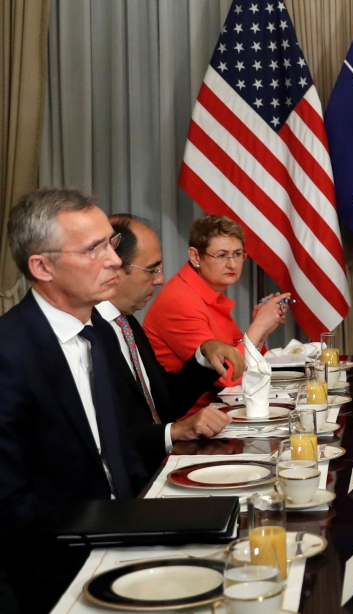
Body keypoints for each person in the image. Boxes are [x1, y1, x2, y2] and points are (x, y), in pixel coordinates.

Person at [0, 188, 148, 612]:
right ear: (42, 267)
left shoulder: (99, 330)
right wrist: (107, 535)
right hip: (54, 572)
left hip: (125, 540)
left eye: (111, 243)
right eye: (93, 249)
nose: (115, 260)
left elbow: (116, 446)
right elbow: (10, 505)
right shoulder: (9, 354)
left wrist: (151, 518)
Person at [99, 213, 246, 473]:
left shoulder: (127, 322)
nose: (160, 279)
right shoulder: (90, 333)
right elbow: (101, 436)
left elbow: (165, 402)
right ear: (114, 270)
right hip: (134, 473)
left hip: (161, 455)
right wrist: (174, 432)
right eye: (152, 269)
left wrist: (204, 355)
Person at [143, 215, 288, 410]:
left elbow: (240, 355)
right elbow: (228, 375)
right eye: (221, 255)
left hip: (218, 407)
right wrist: (259, 326)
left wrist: (263, 328)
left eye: (237, 254)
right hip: (190, 417)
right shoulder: (181, 300)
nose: (232, 264)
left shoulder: (209, 288)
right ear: (195, 256)